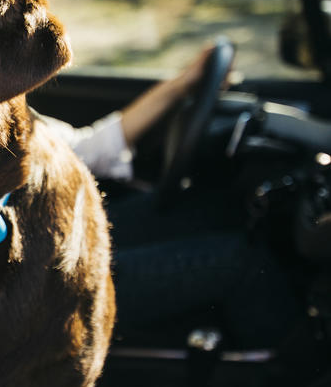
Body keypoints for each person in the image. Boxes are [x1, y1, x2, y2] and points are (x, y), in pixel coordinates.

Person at [46, 48, 299, 350]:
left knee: (221, 209)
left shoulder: (8, 107)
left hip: (70, 229)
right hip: (47, 275)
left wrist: (184, 82)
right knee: (242, 263)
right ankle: (295, 371)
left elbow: (87, 148)